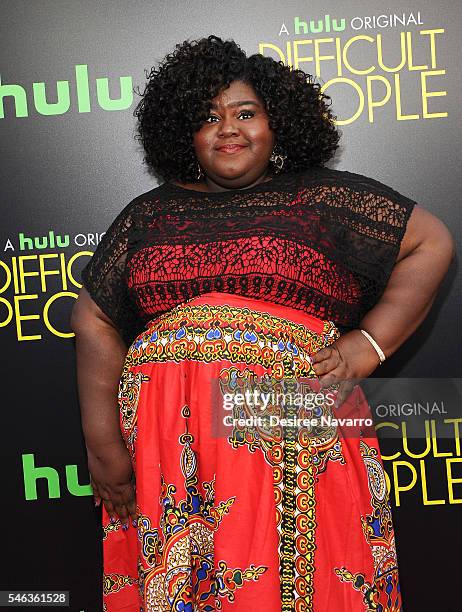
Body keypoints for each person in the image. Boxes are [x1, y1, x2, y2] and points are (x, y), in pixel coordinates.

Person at [71, 35, 454, 612]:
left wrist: (369, 345)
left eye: (245, 113)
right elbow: (96, 317)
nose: (228, 128)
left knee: (294, 580)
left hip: (291, 421)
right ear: (185, 136)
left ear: (277, 125)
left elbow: (431, 241)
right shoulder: (149, 213)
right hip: (174, 446)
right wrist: (103, 445)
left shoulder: (321, 198)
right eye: (207, 117)